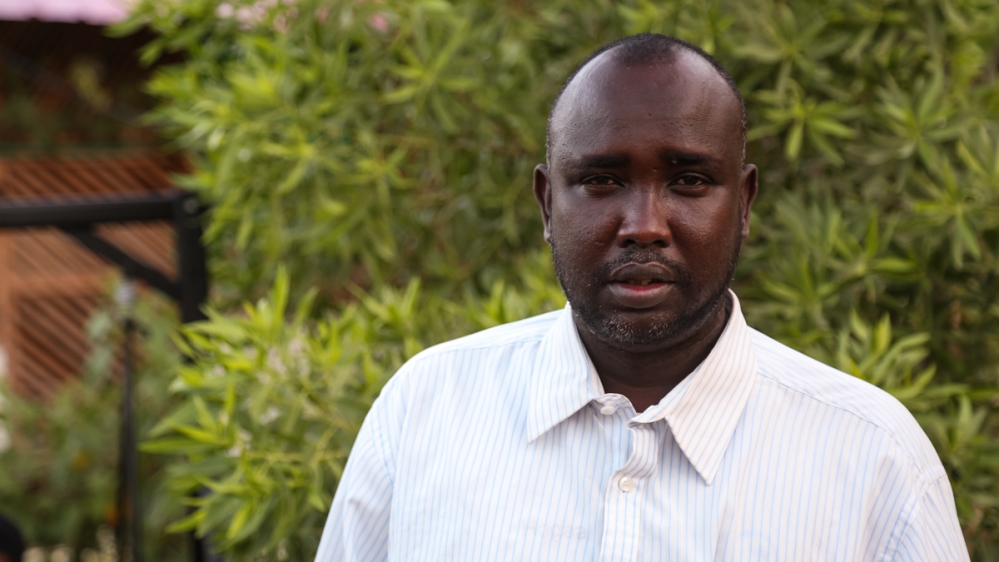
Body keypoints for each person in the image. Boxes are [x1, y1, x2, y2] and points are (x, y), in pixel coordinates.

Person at [315, 33, 968, 561]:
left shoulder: (869, 453)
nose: (644, 224)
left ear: (742, 205)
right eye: (600, 181)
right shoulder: (427, 409)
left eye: (687, 180)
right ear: (547, 204)